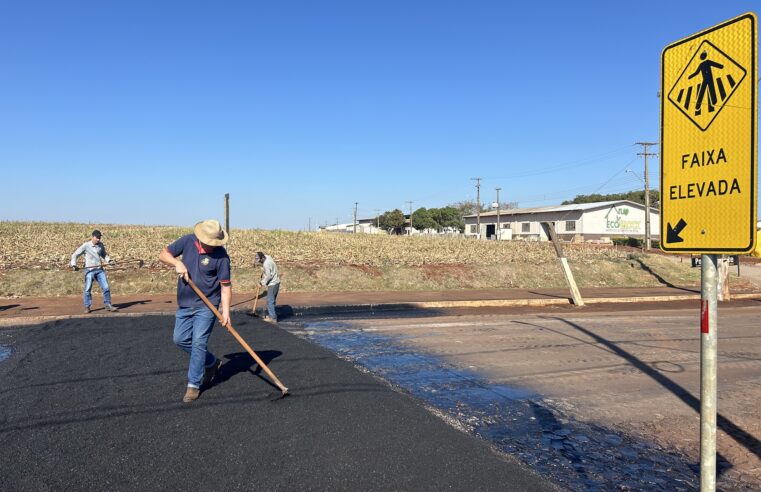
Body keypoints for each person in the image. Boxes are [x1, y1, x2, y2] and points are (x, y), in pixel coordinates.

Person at [159, 219, 231, 403]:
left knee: (199, 342)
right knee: (180, 339)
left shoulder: (222, 257)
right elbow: (163, 254)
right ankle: (211, 362)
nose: (211, 246)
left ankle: (193, 384)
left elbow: (225, 287)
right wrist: (177, 263)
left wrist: (226, 313)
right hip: (185, 302)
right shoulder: (187, 241)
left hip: (207, 306)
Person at [70, 230, 119, 314]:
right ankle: (87, 306)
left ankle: (108, 304)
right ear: (92, 237)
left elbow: (104, 255)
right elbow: (75, 255)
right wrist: (74, 265)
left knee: (106, 287)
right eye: (97, 238)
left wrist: (109, 261)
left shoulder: (100, 245)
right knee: (88, 288)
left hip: (99, 269)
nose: (98, 240)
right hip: (89, 270)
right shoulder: (86, 246)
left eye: (99, 238)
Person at [255, 251, 280, 323]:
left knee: (270, 301)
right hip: (277, 282)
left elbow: (269, 276)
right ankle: (272, 314)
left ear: (262, 258)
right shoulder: (268, 257)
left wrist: (261, 283)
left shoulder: (266, 264)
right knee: (272, 301)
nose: (259, 262)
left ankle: (273, 318)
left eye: (259, 260)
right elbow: (269, 271)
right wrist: (264, 272)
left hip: (273, 284)